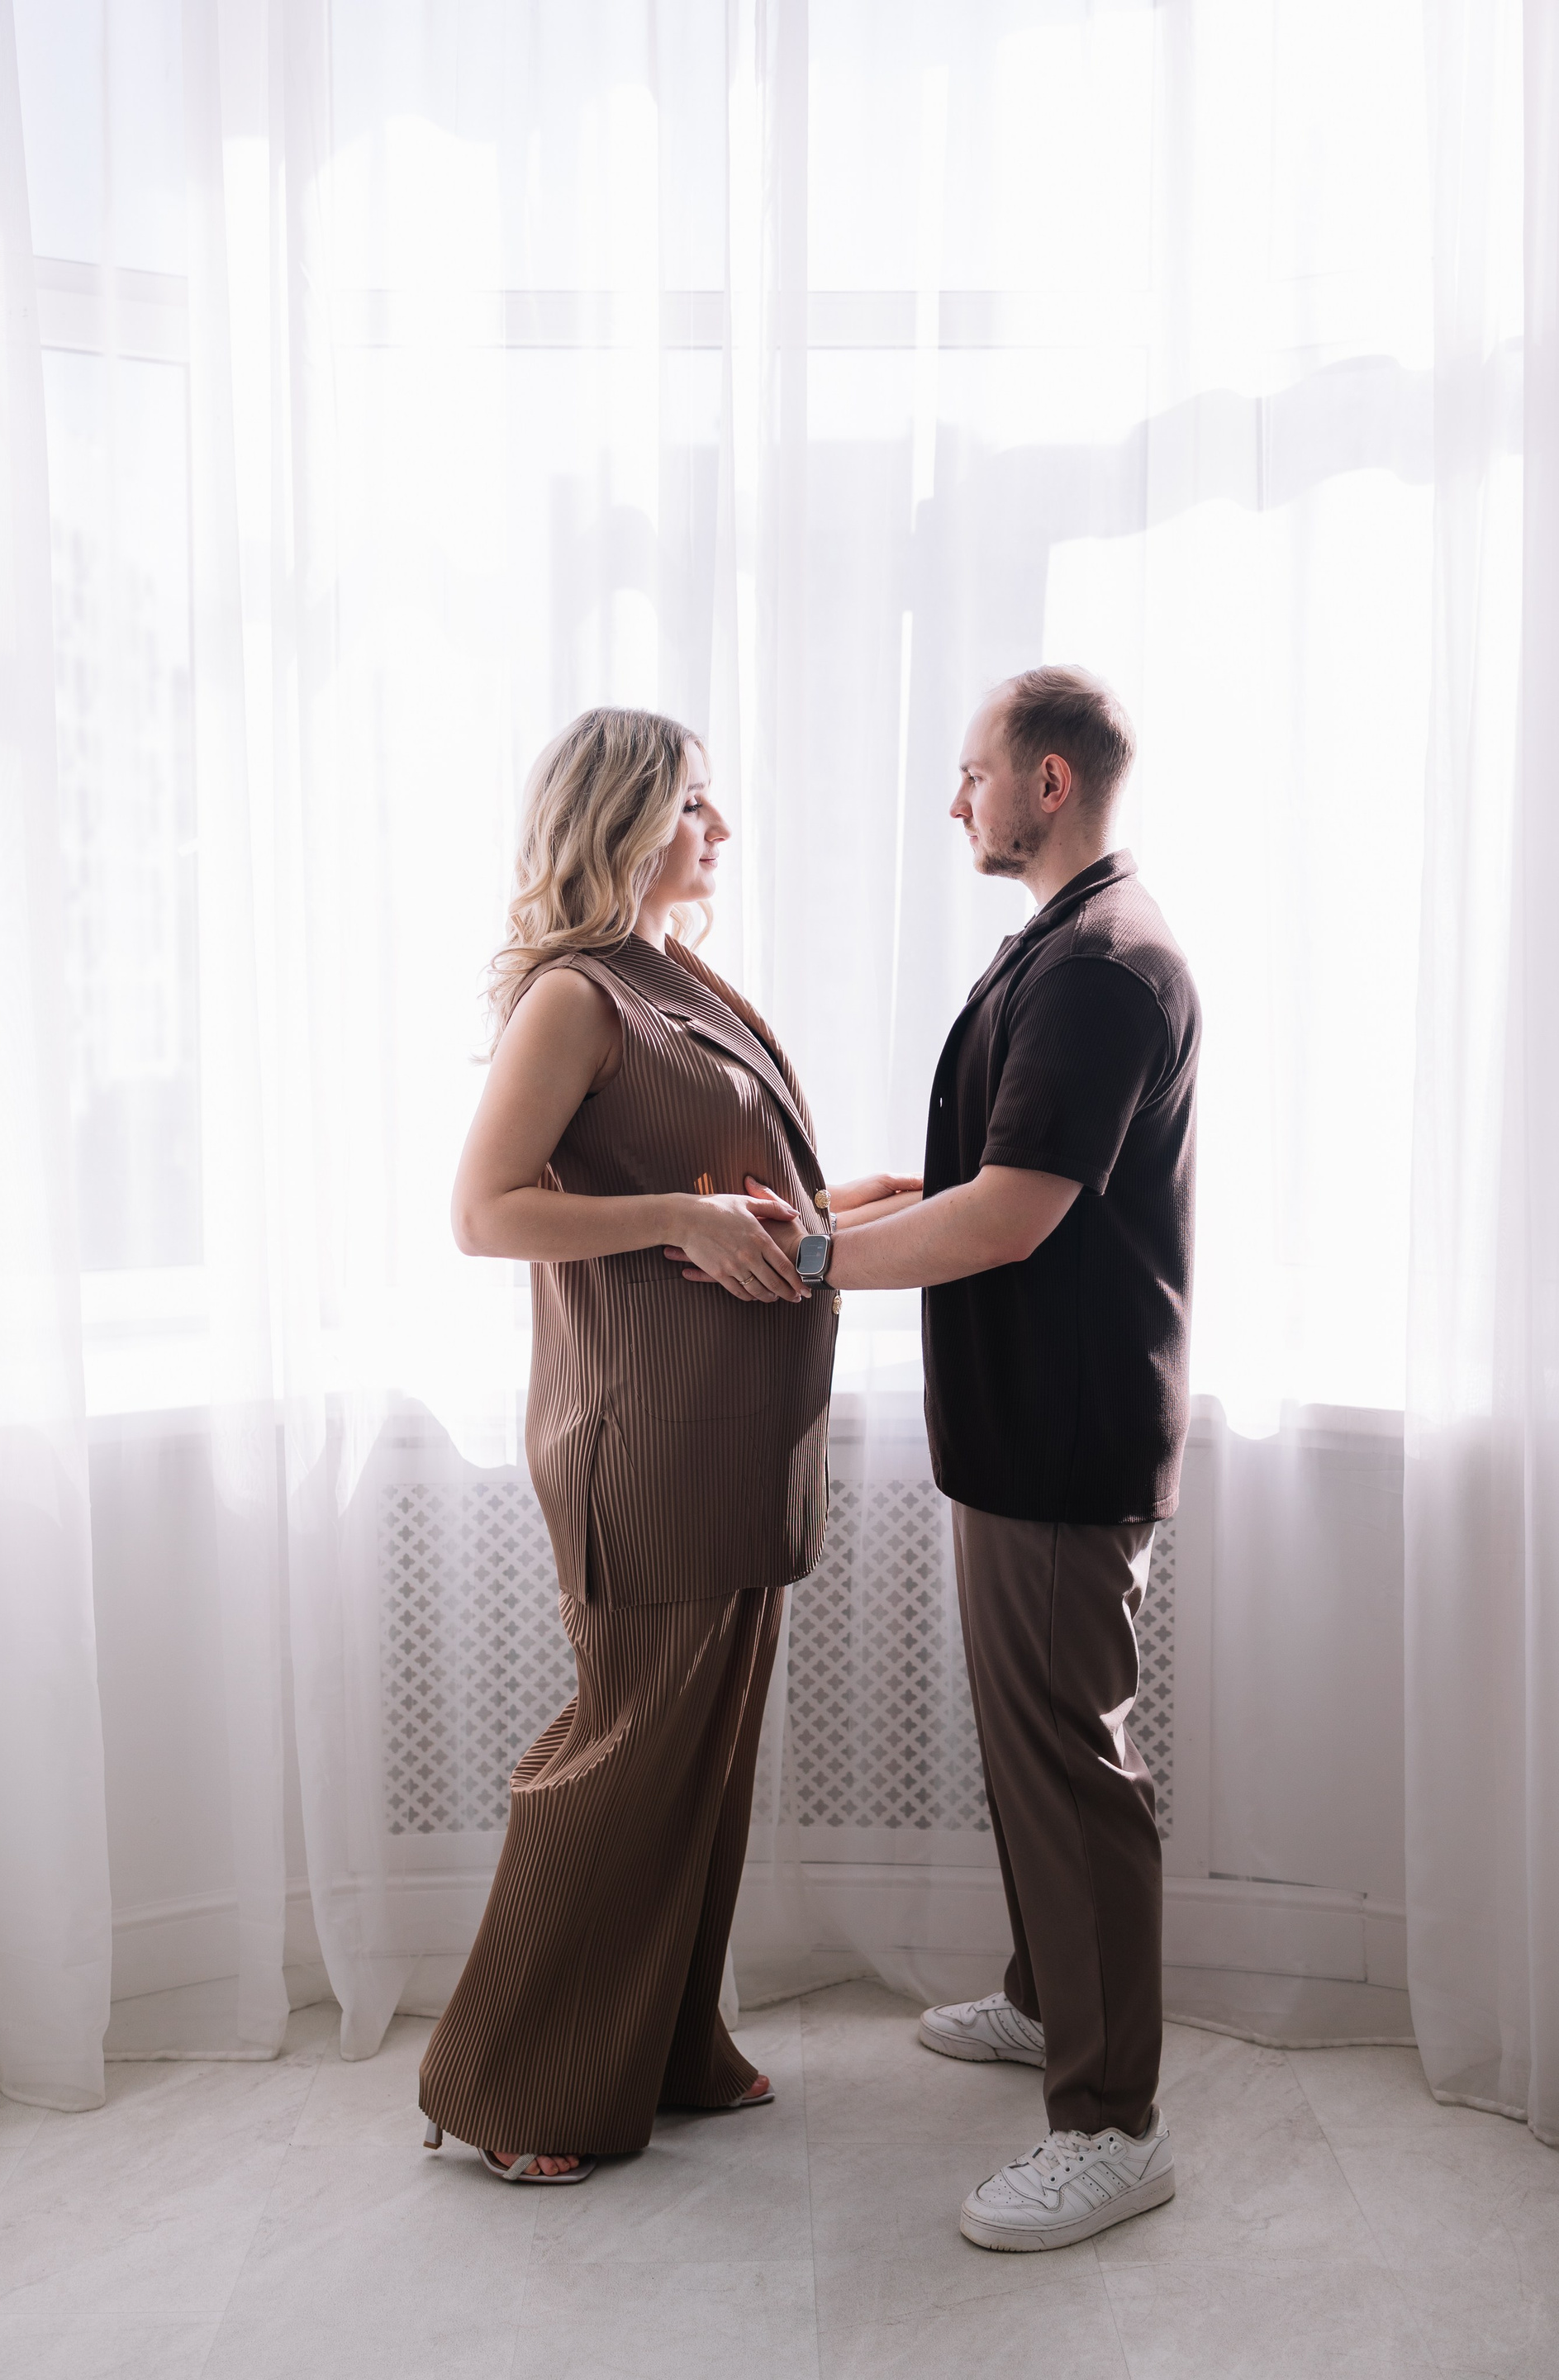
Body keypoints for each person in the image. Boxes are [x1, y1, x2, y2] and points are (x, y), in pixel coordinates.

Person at [673, 664, 1198, 2249]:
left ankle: (1111, 2125)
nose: (953, 797)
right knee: (1030, 1750)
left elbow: (1011, 1216)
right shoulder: (1062, 940)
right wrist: (835, 1211)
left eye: (973, 770)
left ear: (1049, 781)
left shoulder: (1103, 963)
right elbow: (978, 1171)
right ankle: (1051, 2000)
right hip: (1020, 1424)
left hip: (1067, 1432)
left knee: (1074, 1771)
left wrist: (809, 1262)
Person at [419, 705, 917, 2183]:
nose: (721, 828)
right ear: (627, 814)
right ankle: (506, 2087)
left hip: (739, 1436)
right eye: (697, 802)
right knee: (625, 1758)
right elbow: (486, 1211)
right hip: (644, 1435)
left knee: (704, 1763)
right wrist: (678, 1220)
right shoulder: (579, 995)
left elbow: (738, 1192)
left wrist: (864, 1203)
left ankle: (663, 2045)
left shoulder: (675, 975)